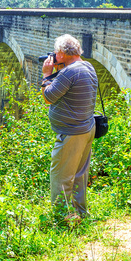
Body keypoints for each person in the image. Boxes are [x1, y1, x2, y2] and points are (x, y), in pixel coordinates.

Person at [41, 34, 97, 220]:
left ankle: (62, 218)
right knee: (79, 175)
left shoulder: (69, 72)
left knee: (61, 177)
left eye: (57, 53)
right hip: (87, 128)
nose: (55, 56)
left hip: (71, 133)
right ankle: (80, 213)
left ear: (63, 54)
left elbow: (49, 96)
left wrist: (47, 75)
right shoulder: (87, 66)